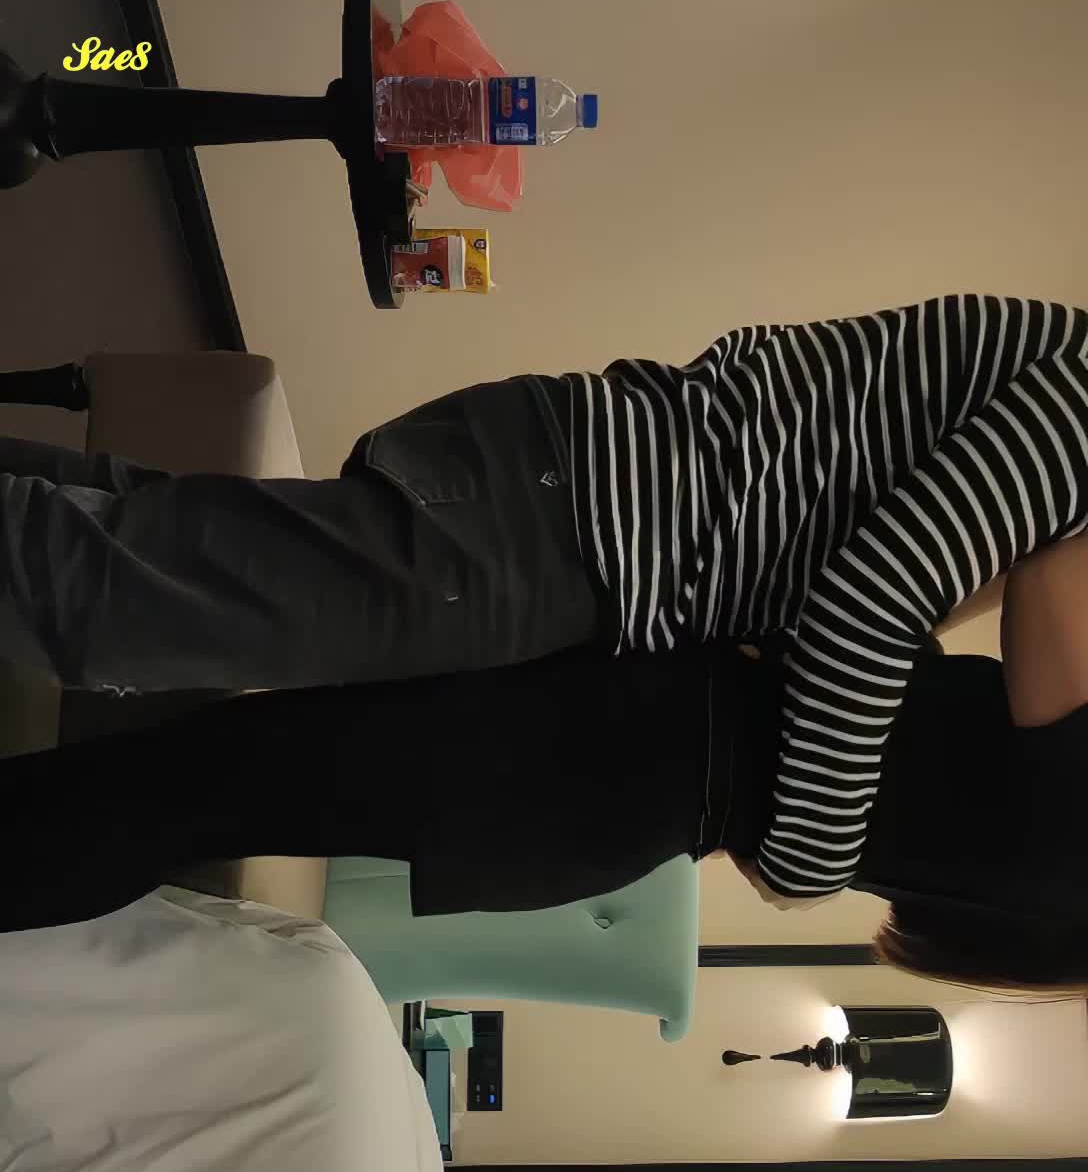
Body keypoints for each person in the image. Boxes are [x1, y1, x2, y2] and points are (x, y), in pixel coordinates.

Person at [2, 292, 1086, 914]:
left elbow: (899, 589)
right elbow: (873, 600)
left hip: (596, 532)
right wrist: (810, 864)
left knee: (136, 550)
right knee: (110, 605)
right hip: (585, 522)